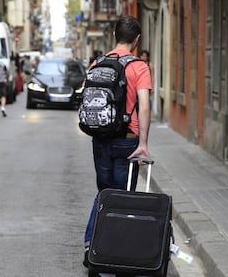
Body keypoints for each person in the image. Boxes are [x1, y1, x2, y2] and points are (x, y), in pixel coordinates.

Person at [82, 15, 152, 267]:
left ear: (114, 35)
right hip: (127, 140)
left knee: (104, 193)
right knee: (123, 196)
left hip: (100, 139)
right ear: (137, 39)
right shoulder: (139, 66)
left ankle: (92, 245)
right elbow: (144, 106)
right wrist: (143, 143)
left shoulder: (97, 63)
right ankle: (116, 251)